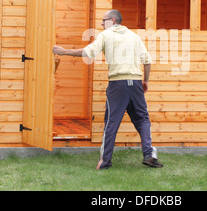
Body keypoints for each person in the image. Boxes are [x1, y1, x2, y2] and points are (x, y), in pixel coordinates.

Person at [52, 9, 163, 170]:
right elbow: (147, 60)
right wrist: (145, 81)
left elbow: (88, 53)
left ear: (112, 20)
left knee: (112, 122)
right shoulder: (134, 36)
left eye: (104, 20)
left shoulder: (106, 35)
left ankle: (105, 161)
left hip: (118, 85)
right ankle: (149, 155)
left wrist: (63, 52)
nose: (101, 24)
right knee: (143, 120)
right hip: (136, 83)